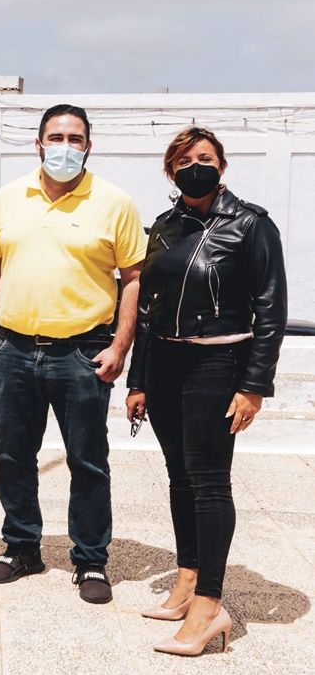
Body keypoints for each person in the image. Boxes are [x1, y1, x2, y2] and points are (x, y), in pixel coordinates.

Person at [0, 104, 147, 604]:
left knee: (88, 460)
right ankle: (22, 546)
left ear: (88, 145)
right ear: (38, 143)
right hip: (15, 350)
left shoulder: (115, 203)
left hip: (83, 353)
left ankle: (90, 559)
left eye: (75, 138)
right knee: (11, 456)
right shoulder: (8, 199)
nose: (64, 146)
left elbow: (133, 278)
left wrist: (119, 347)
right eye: (55, 136)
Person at [126, 127, 286, 656]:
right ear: (171, 171)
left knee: (211, 481)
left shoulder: (251, 224)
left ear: (222, 164)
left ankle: (210, 606)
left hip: (219, 362)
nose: (196, 166)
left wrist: (254, 386)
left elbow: (271, 311)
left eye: (206, 157)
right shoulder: (166, 227)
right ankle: (188, 578)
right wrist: (139, 380)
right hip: (167, 363)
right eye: (185, 160)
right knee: (179, 476)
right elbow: (148, 309)